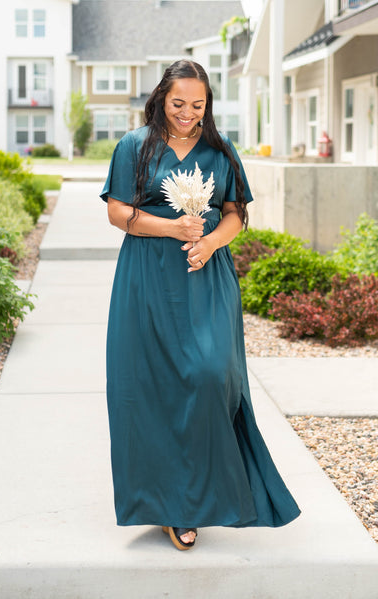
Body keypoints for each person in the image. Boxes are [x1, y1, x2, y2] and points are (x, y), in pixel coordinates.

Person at [100, 59, 300, 551]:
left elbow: (235, 215)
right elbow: (117, 212)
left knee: (212, 376)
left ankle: (211, 490)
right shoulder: (134, 146)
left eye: (198, 104)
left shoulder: (219, 149)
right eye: (178, 103)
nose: (188, 113)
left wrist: (210, 242)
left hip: (205, 278)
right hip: (147, 277)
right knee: (150, 387)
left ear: (207, 104)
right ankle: (173, 506)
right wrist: (172, 227)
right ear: (160, 99)